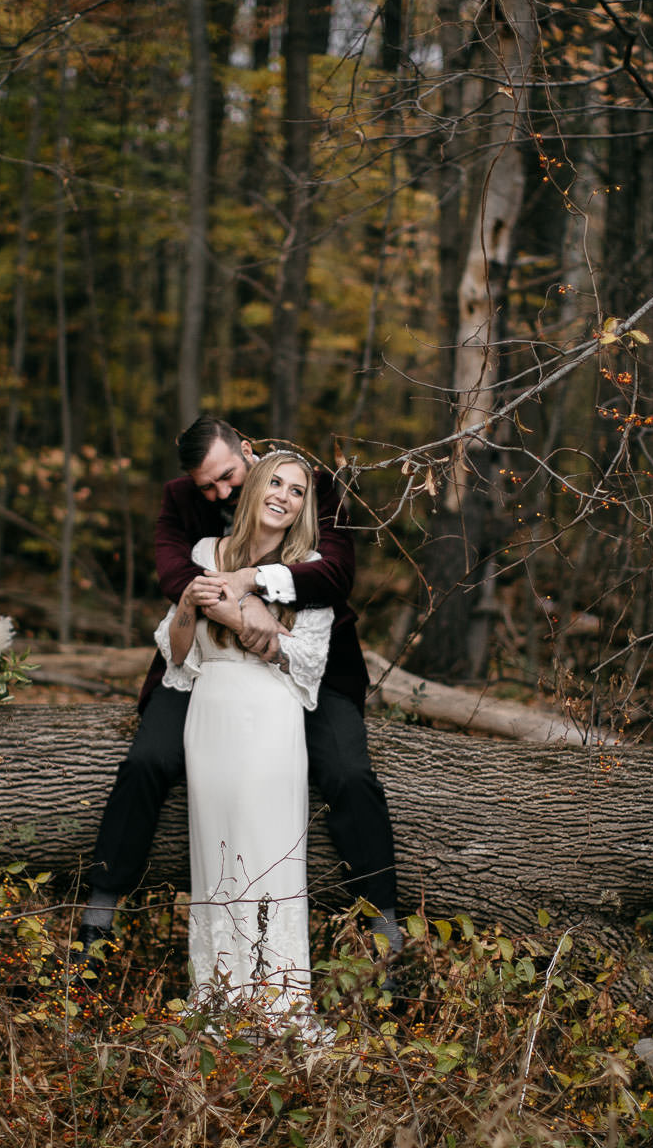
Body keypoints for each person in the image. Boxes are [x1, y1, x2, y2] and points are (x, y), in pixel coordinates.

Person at [77, 416, 403, 971]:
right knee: (148, 760)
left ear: (246, 451)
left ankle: (386, 930)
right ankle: (98, 914)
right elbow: (174, 571)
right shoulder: (183, 501)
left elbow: (335, 575)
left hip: (310, 667)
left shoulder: (312, 486)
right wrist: (231, 607)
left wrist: (255, 585)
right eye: (209, 487)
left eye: (228, 477)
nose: (221, 493)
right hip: (205, 658)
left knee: (347, 774)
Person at [157, 450, 332, 1018]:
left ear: (305, 506)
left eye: (298, 490)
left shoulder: (307, 568)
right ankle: (218, 997)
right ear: (255, 486)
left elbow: (307, 659)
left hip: (270, 714)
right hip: (211, 715)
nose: (284, 495)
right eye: (275, 482)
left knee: (267, 854)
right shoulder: (207, 555)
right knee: (216, 856)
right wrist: (189, 601)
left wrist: (245, 617)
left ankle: (278, 1003)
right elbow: (177, 653)